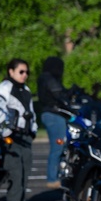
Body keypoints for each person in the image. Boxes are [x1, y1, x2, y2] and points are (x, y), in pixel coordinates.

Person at [0, 59, 38, 201]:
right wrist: (6, 132)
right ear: (11, 71)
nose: (25, 75)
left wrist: (33, 130)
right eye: (21, 71)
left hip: (26, 137)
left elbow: (31, 111)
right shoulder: (3, 89)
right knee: (15, 172)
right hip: (11, 137)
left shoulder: (25, 89)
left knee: (25, 173)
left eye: (27, 72)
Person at [36, 56, 71, 188]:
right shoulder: (49, 78)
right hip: (54, 114)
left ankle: (55, 177)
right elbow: (59, 94)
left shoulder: (44, 78)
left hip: (50, 114)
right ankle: (53, 179)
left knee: (58, 147)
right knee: (58, 147)